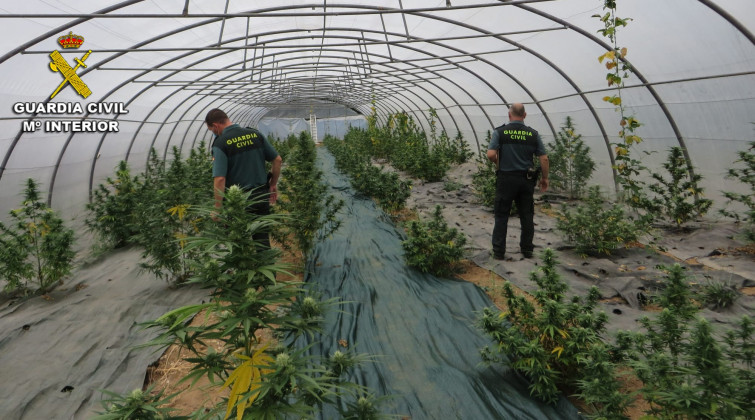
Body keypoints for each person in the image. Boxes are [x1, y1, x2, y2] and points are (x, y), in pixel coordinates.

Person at [206, 108, 282, 248]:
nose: (213, 133)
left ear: (215, 125)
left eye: (211, 130)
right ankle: (265, 268)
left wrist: (218, 208)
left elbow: (220, 179)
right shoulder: (255, 134)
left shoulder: (221, 143)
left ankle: (244, 268)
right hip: (260, 196)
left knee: (237, 244)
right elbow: (277, 160)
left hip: (238, 202)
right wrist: (273, 184)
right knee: (262, 242)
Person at [486, 103, 549, 260]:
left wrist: (498, 163)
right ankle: (527, 250)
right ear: (525, 115)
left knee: (502, 215)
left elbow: (490, 154)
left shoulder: (500, 132)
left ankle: (499, 252)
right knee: (526, 215)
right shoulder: (533, 134)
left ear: (509, 115)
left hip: (506, 179)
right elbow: (544, 157)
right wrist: (545, 178)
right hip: (525, 180)